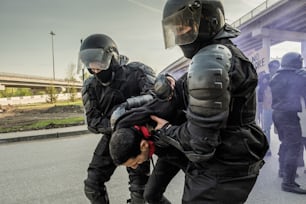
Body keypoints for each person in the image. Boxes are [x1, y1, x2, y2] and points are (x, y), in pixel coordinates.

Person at [149, 0, 269, 203]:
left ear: (208, 21)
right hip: (227, 162)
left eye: (184, 25)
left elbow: (200, 142)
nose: (179, 36)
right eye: (175, 29)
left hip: (222, 168)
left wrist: (164, 130)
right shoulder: (223, 54)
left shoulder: (211, 58)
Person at [79, 33, 156, 204]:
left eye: (98, 61)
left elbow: (155, 97)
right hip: (111, 136)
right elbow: (93, 122)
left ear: (111, 57)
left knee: (139, 190)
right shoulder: (90, 86)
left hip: (138, 135)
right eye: (89, 63)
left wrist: (127, 109)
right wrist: (117, 123)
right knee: (92, 185)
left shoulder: (137, 71)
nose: (94, 68)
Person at [109, 73, 189, 204]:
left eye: (134, 163)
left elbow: (171, 91)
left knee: (194, 196)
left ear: (143, 145)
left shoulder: (163, 113)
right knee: (151, 195)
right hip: (169, 153)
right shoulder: (130, 127)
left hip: (189, 149)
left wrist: (167, 80)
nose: (135, 167)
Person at [270, 52, 306, 194]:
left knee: (285, 143)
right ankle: (288, 183)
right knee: (294, 147)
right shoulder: (297, 77)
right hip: (289, 116)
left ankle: (282, 171)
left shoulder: (276, 76)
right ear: (294, 62)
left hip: (278, 114)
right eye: (299, 60)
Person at [257, 60, 280, 156]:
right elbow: (260, 92)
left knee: (283, 130)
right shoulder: (264, 78)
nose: (275, 69)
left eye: (277, 67)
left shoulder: (281, 78)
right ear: (270, 68)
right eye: (273, 67)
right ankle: (267, 149)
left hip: (279, 109)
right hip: (267, 108)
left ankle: (284, 150)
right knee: (266, 129)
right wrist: (259, 109)